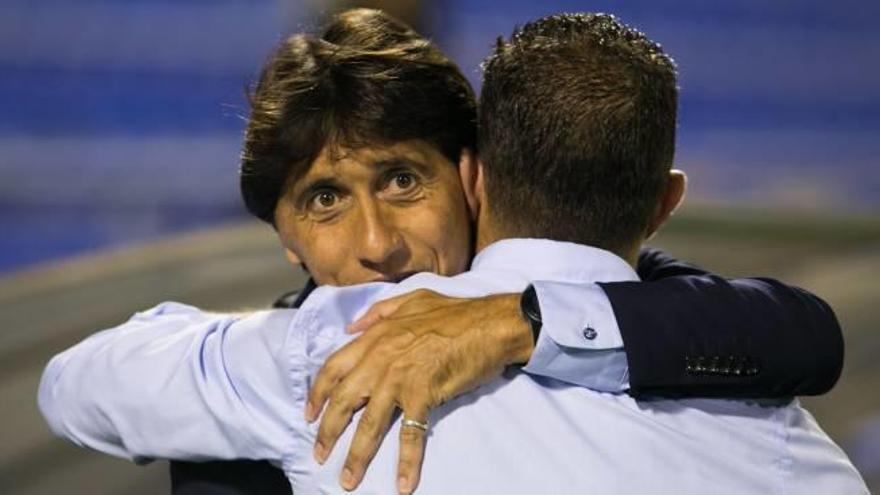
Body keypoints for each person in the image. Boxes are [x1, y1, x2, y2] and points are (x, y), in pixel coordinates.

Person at [39, 9, 851, 495]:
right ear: (283, 237)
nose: (378, 245)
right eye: (325, 200)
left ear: (472, 180)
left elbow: (795, 330)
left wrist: (511, 321)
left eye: (401, 181)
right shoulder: (308, 354)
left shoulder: (687, 332)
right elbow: (76, 384)